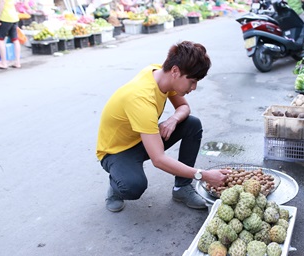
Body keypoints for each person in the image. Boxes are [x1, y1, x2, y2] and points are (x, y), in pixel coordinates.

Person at [96, 41, 230, 212]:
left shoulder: (161, 74)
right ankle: (116, 185)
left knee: (192, 124)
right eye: (193, 81)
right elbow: (158, 160)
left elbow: (184, 108)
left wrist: (173, 119)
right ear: (175, 71)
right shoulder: (141, 98)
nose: (194, 87)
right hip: (116, 151)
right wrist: (203, 175)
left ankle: (181, 188)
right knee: (133, 186)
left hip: (142, 139)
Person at [0, 0, 20, 69]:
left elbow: (2, 2)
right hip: (13, 17)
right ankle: (17, 62)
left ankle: (3, 63)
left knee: (0, 39)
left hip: (5, 17)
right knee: (15, 39)